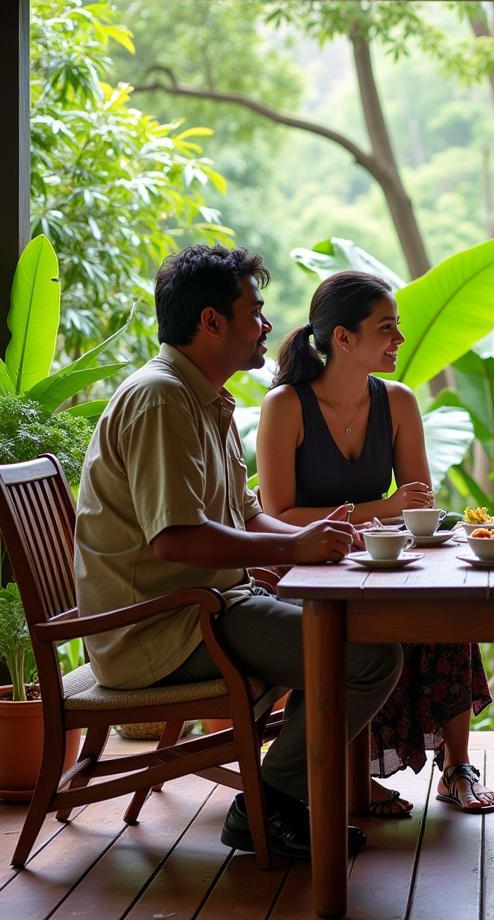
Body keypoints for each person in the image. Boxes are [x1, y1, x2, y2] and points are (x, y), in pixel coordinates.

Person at [74, 246, 403, 862]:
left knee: (354, 635)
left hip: (207, 605)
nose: (269, 326)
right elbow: (176, 536)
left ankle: (275, 800)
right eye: (255, 311)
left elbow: (241, 511)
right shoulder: (161, 400)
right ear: (212, 322)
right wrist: (290, 544)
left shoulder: (203, 396)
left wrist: (300, 541)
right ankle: (267, 804)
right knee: (365, 657)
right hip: (162, 628)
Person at [257, 271, 494, 815]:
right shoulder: (285, 407)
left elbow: (419, 503)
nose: (400, 339)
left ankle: (457, 768)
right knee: (357, 636)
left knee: (446, 616)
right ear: (343, 338)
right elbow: (279, 515)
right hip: (308, 573)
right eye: (387, 328)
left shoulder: (399, 402)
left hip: (382, 563)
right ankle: (348, 773)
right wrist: (380, 511)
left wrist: (392, 515)